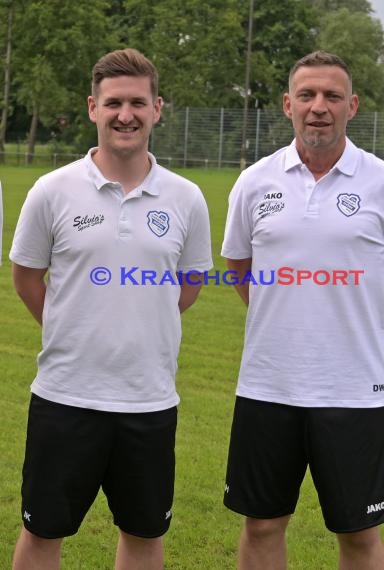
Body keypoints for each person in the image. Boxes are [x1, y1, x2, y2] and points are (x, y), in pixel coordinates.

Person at [221, 51, 384, 570]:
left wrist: (353, 322)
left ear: (352, 106)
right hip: (267, 385)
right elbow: (240, 267)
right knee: (262, 523)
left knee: (358, 532)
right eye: (307, 96)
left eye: (332, 96)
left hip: (352, 389)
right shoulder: (255, 181)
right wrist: (287, 314)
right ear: (288, 105)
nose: (319, 107)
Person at [10, 48, 212, 570]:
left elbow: (189, 285)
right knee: (41, 535)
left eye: (138, 103)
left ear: (158, 108)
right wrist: (72, 325)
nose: (127, 114)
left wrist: (141, 321)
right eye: (115, 102)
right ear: (93, 108)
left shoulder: (187, 198)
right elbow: (27, 278)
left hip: (148, 401)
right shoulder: (51, 191)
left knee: (144, 537)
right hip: (64, 398)